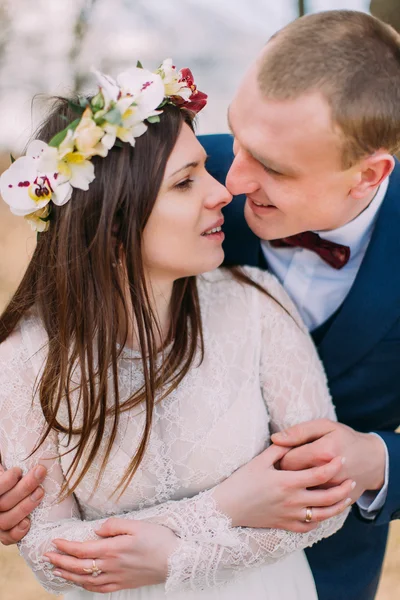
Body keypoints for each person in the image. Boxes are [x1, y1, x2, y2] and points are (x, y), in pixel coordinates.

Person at [0, 61, 350, 598]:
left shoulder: (256, 303)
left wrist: (177, 554)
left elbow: (326, 502)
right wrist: (225, 508)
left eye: (206, 171)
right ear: (113, 220)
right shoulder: (26, 354)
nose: (221, 194)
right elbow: (51, 555)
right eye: (186, 182)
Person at [198, 10, 400, 600]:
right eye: (236, 135)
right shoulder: (177, 180)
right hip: (152, 559)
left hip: (325, 573)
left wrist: (373, 459)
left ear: (368, 174)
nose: (232, 181)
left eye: (274, 167)